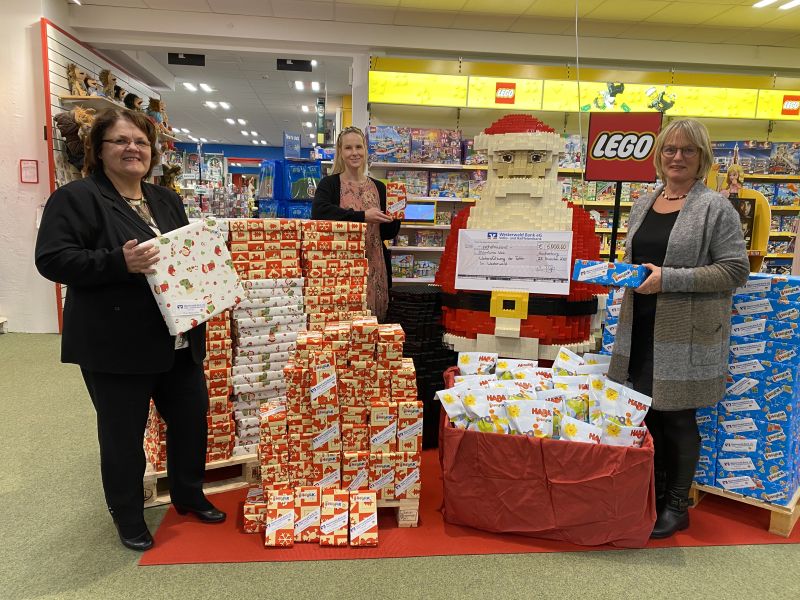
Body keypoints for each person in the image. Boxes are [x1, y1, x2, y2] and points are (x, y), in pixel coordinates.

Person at [35, 108, 225, 552]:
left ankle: (189, 493)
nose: (132, 149)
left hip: (177, 336)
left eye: (140, 142)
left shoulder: (165, 199)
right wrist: (119, 263)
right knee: (122, 435)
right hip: (116, 343)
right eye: (120, 141)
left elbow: (180, 258)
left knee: (190, 419)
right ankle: (127, 515)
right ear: (98, 150)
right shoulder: (78, 198)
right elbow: (52, 260)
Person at [607, 118, 750, 539]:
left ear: (702, 158)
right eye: (670, 149)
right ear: (659, 156)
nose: (677, 157)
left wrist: (669, 278)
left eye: (688, 150)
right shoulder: (644, 202)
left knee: (679, 418)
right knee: (647, 414)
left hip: (685, 332)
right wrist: (621, 274)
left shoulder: (715, 207)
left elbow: (734, 270)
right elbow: (643, 261)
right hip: (641, 327)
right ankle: (651, 494)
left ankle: (676, 504)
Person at [312, 126, 401, 321]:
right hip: (341, 267)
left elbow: (387, 233)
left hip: (375, 266)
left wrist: (396, 215)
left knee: (374, 323)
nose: (354, 153)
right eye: (348, 148)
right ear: (341, 153)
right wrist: (362, 216)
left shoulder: (379, 187)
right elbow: (319, 213)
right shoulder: (330, 184)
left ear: (366, 150)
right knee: (342, 322)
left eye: (359, 147)